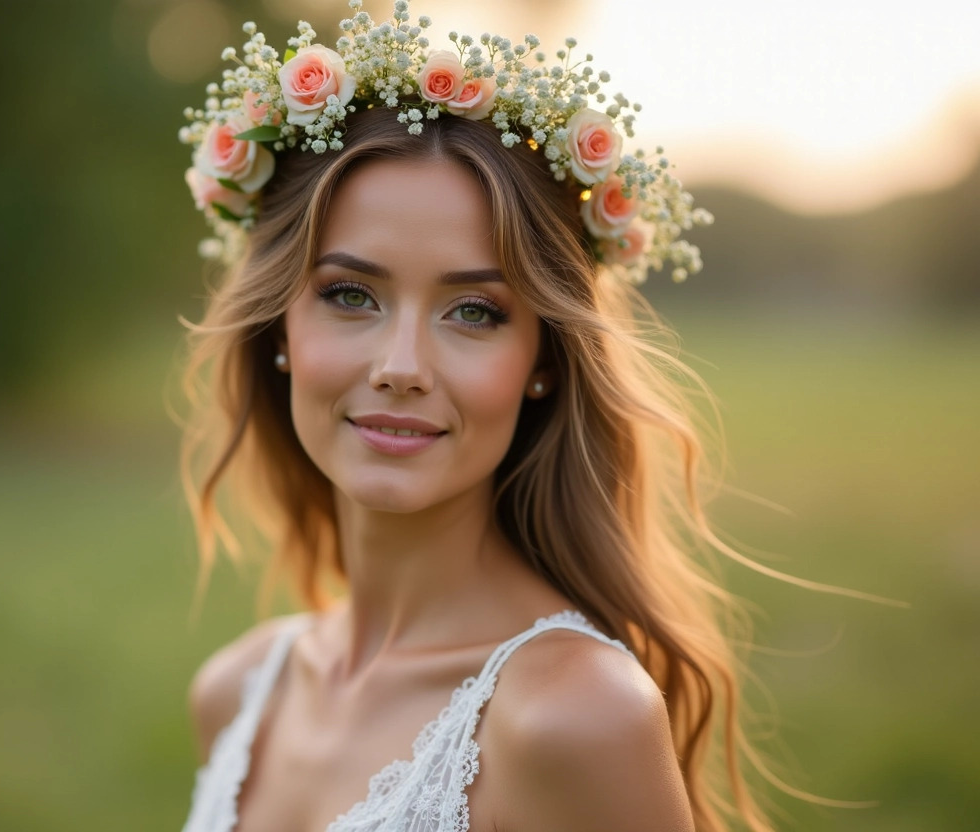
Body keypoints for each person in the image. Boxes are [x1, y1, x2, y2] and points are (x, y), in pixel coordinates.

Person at [174, 3, 769, 830]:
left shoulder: (576, 717)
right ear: (279, 328)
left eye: (475, 312)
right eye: (351, 295)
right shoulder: (238, 692)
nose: (402, 368)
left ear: (542, 364)